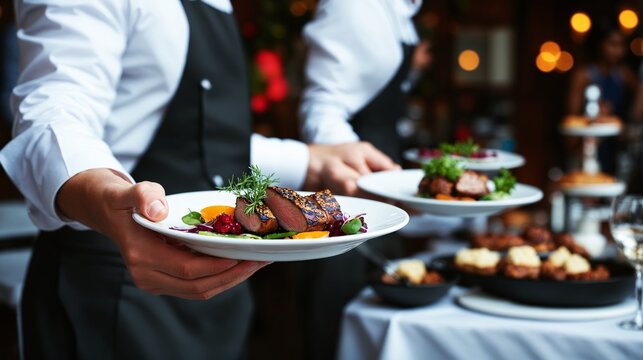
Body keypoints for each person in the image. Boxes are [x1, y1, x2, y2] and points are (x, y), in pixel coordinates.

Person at [0, 0, 397, 358]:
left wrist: (313, 160)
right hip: (113, 286)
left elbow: (197, 137)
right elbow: (51, 118)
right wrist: (108, 203)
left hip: (221, 300)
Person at [270, 1, 423, 359]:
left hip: (379, 199)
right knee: (335, 324)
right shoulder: (353, 5)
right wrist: (356, 173)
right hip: (349, 196)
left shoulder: (399, 13)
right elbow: (321, 108)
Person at [299, 0, 423, 163]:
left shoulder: (402, 9)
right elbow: (322, 111)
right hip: (357, 171)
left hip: (387, 158)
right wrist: (362, 172)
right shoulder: (351, 4)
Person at [567, 19, 638, 173]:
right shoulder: (583, 75)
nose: (618, 51)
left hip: (615, 147)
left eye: (621, 45)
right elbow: (572, 118)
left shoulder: (624, 75)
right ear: (600, 44)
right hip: (588, 144)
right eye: (613, 44)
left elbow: (637, 110)